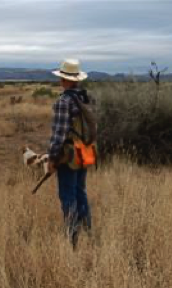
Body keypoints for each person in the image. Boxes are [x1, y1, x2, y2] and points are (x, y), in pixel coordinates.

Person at [48, 59, 94, 248]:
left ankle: (72, 238)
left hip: (69, 156)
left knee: (67, 195)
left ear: (64, 80)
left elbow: (58, 134)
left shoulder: (63, 102)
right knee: (80, 191)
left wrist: (52, 158)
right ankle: (87, 231)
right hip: (85, 152)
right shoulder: (86, 98)